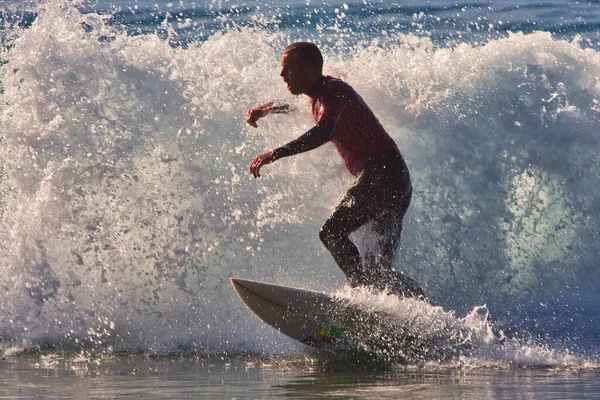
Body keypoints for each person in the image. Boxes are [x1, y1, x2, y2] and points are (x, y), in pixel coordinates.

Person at [247, 42, 425, 298]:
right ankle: (415, 308)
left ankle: (362, 298)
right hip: (396, 179)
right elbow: (296, 107)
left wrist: (275, 154)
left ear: (307, 71)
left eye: (287, 69)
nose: (282, 75)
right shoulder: (322, 94)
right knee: (379, 271)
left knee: (331, 232)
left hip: (381, 173)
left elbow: (324, 131)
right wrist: (267, 109)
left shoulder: (332, 92)